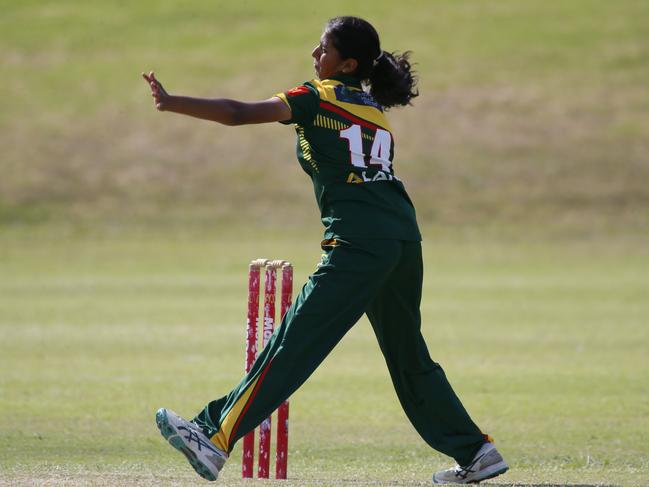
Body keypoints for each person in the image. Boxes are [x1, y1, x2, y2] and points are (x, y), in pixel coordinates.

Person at [143, 16, 508, 485]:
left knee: (293, 342)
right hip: (401, 240)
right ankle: (475, 451)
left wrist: (173, 103)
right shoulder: (374, 108)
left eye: (324, 50)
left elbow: (237, 113)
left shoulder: (315, 97)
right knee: (408, 355)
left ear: (348, 63)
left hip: (357, 244)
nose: (315, 56)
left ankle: (212, 436)